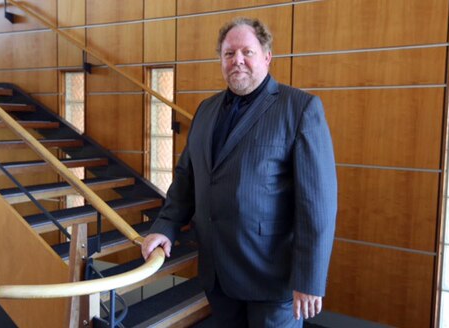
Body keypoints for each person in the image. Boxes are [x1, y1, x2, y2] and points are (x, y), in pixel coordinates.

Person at [141, 17, 337, 327]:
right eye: (229, 54)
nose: (238, 61)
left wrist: (310, 278)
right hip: (218, 274)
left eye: (247, 52)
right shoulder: (206, 110)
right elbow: (186, 179)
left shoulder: (299, 108)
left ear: (267, 56)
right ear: (220, 60)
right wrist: (165, 227)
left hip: (272, 278)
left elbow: (317, 203)